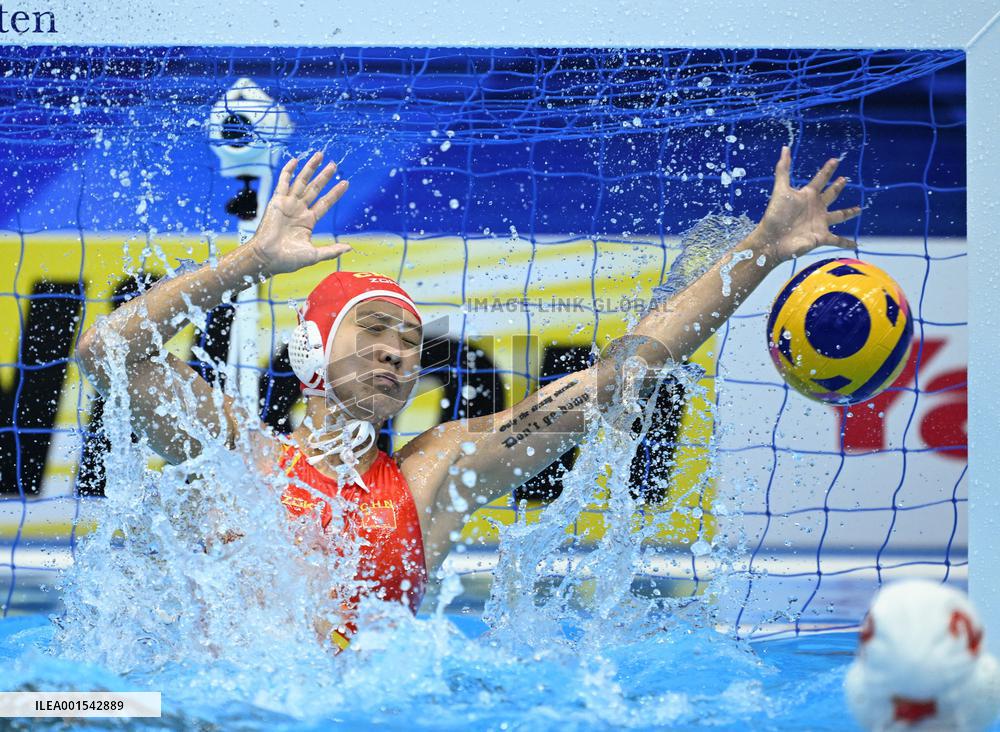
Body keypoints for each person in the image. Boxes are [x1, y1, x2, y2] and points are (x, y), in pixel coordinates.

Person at [76, 147, 860, 650]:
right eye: (374, 330)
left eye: (412, 341)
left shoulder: (431, 479)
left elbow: (617, 378)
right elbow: (103, 352)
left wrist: (761, 250)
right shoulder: (237, 454)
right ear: (312, 351)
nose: (396, 350)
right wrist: (250, 261)